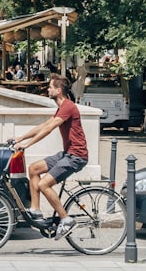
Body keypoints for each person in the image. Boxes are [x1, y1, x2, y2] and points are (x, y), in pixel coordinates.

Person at [9, 74, 88, 240]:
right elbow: (43, 125)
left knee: (45, 184)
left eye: (50, 87)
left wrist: (27, 145)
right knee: (33, 169)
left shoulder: (68, 106)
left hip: (76, 156)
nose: (48, 89)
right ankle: (36, 210)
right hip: (67, 153)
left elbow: (49, 129)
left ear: (58, 90)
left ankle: (66, 219)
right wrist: (20, 138)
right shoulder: (61, 107)